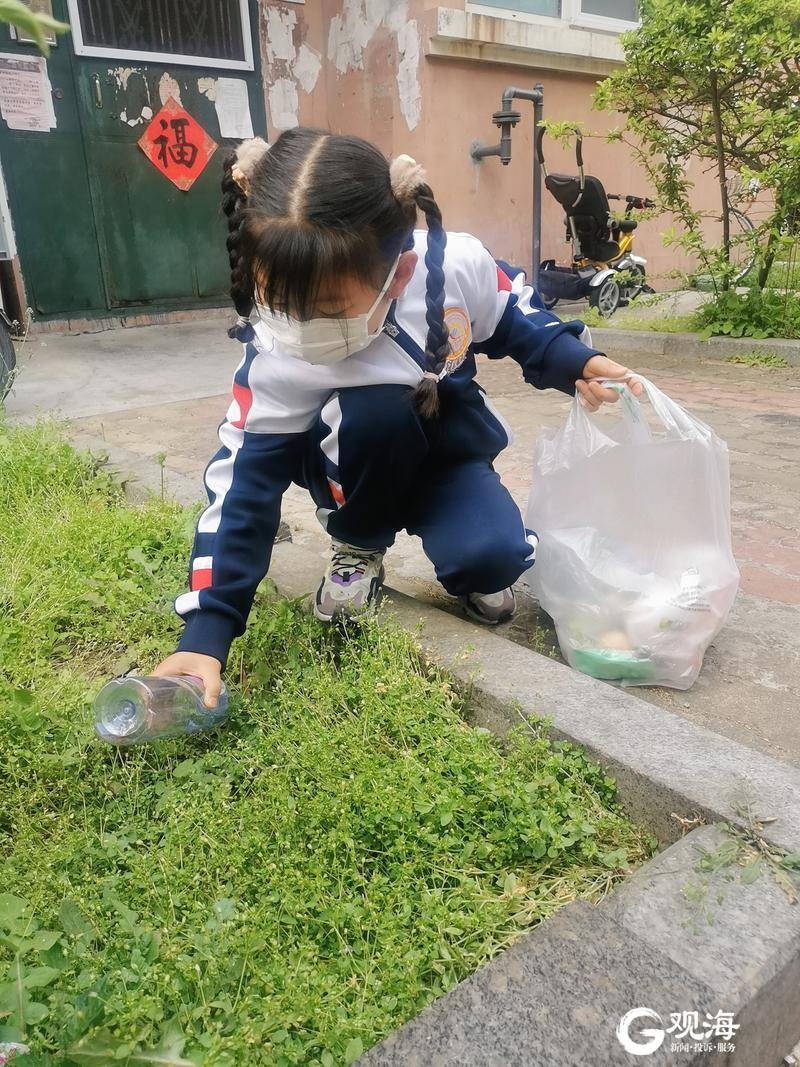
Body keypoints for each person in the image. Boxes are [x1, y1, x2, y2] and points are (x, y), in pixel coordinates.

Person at [153, 127, 641, 707]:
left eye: (328, 309)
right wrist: (206, 634)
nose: (300, 327)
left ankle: (476, 555)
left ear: (400, 275)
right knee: (376, 411)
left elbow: (512, 316)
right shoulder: (276, 354)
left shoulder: (452, 266)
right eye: (280, 303)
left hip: (444, 458)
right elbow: (241, 489)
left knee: (494, 556)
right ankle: (358, 545)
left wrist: (575, 362)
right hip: (354, 467)